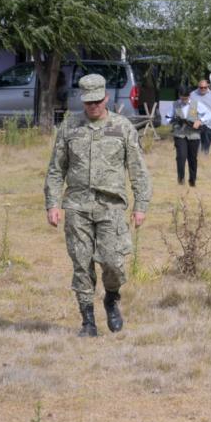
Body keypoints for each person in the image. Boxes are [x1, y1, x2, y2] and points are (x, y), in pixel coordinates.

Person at [44, 74, 152, 337]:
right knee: (81, 264)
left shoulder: (122, 127)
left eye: (97, 101)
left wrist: (141, 205)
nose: (93, 106)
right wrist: (52, 203)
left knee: (113, 263)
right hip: (78, 206)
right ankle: (88, 322)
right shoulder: (70, 128)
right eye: (88, 102)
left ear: (106, 98)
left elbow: (138, 170)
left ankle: (112, 298)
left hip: (111, 207)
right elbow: (56, 170)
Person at [170, 87, 211, 187]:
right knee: (181, 157)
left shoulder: (196, 104)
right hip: (180, 135)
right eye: (182, 98)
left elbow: (209, 114)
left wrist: (200, 121)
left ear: (189, 96)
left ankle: (192, 181)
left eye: (186, 98)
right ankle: (181, 180)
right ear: (179, 96)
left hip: (193, 135)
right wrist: (173, 121)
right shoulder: (175, 104)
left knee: (192, 158)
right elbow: (167, 117)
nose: (184, 100)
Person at [190, 80, 211, 155]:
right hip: (197, 122)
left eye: (205, 87)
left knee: (206, 141)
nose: (203, 89)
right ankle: (197, 155)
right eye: (201, 87)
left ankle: (205, 156)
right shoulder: (193, 94)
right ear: (198, 87)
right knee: (196, 141)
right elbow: (190, 108)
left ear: (207, 87)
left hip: (209, 123)